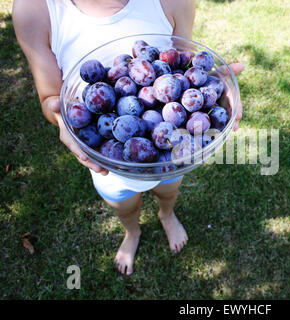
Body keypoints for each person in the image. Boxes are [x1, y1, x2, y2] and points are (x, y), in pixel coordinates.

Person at [12, 0, 244, 275]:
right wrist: (61, 117)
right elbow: (52, 98)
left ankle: (166, 215)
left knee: (169, 189)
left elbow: (182, 63)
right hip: (109, 164)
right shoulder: (34, 9)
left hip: (172, 155)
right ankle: (132, 231)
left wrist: (208, 85)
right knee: (123, 204)